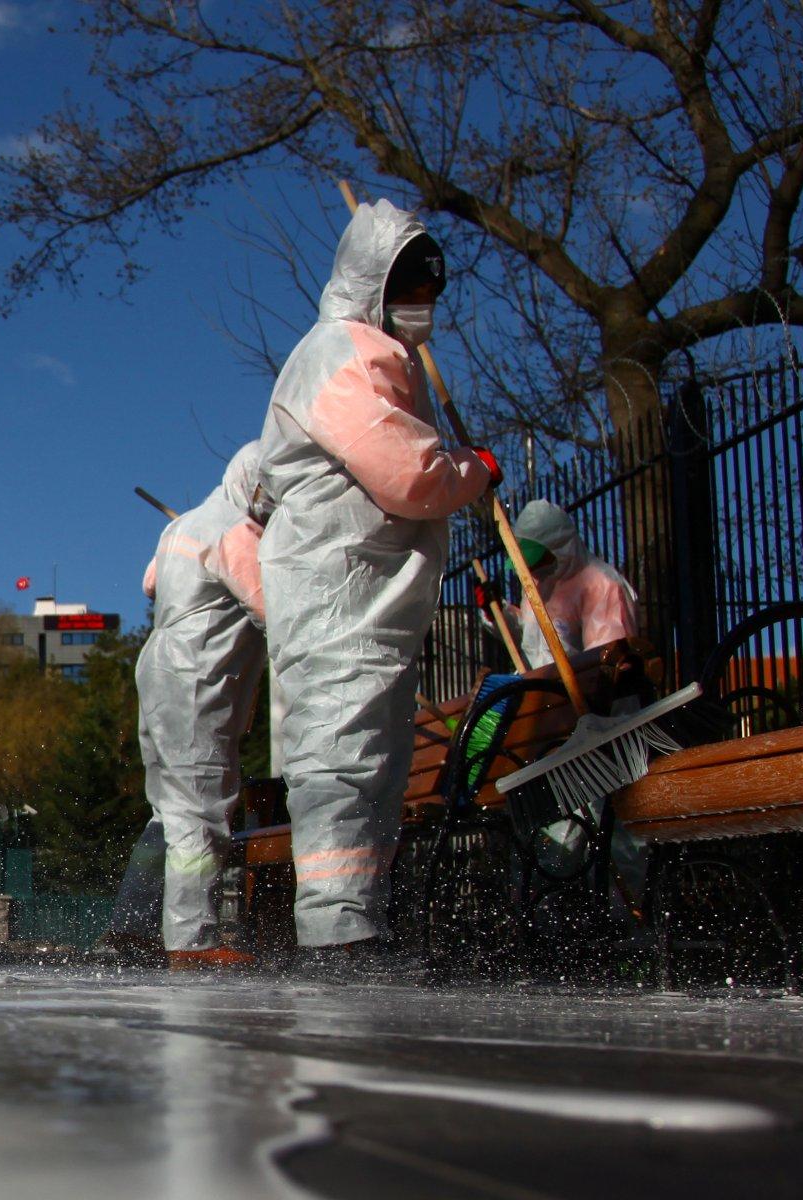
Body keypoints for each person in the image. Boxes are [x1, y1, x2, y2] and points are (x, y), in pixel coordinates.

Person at [256, 199, 496, 971]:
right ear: (376, 283)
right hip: (341, 597)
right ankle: (337, 938)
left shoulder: (366, 353)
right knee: (343, 757)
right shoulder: (343, 354)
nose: (425, 304)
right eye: (412, 286)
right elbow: (407, 475)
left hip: (364, 601)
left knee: (373, 763)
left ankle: (359, 927)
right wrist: (474, 470)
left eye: (431, 288)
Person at [136, 442, 272, 970]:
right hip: (198, 674)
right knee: (199, 807)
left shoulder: (181, 525)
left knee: (168, 809)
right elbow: (270, 611)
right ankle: (192, 941)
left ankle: (134, 923)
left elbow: (149, 584)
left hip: (159, 667)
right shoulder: (239, 533)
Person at [474, 498, 638, 671]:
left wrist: (558, 685)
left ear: (561, 548)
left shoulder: (602, 586)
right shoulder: (539, 582)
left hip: (583, 694)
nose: (530, 568)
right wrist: (497, 612)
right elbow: (532, 638)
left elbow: (606, 659)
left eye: (536, 559)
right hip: (541, 690)